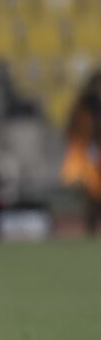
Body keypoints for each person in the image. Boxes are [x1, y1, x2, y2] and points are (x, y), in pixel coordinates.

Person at [60, 70, 101, 235]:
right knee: (90, 190)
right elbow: (73, 128)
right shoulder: (84, 105)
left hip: (94, 148)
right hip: (85, 151)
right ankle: (90, 226)